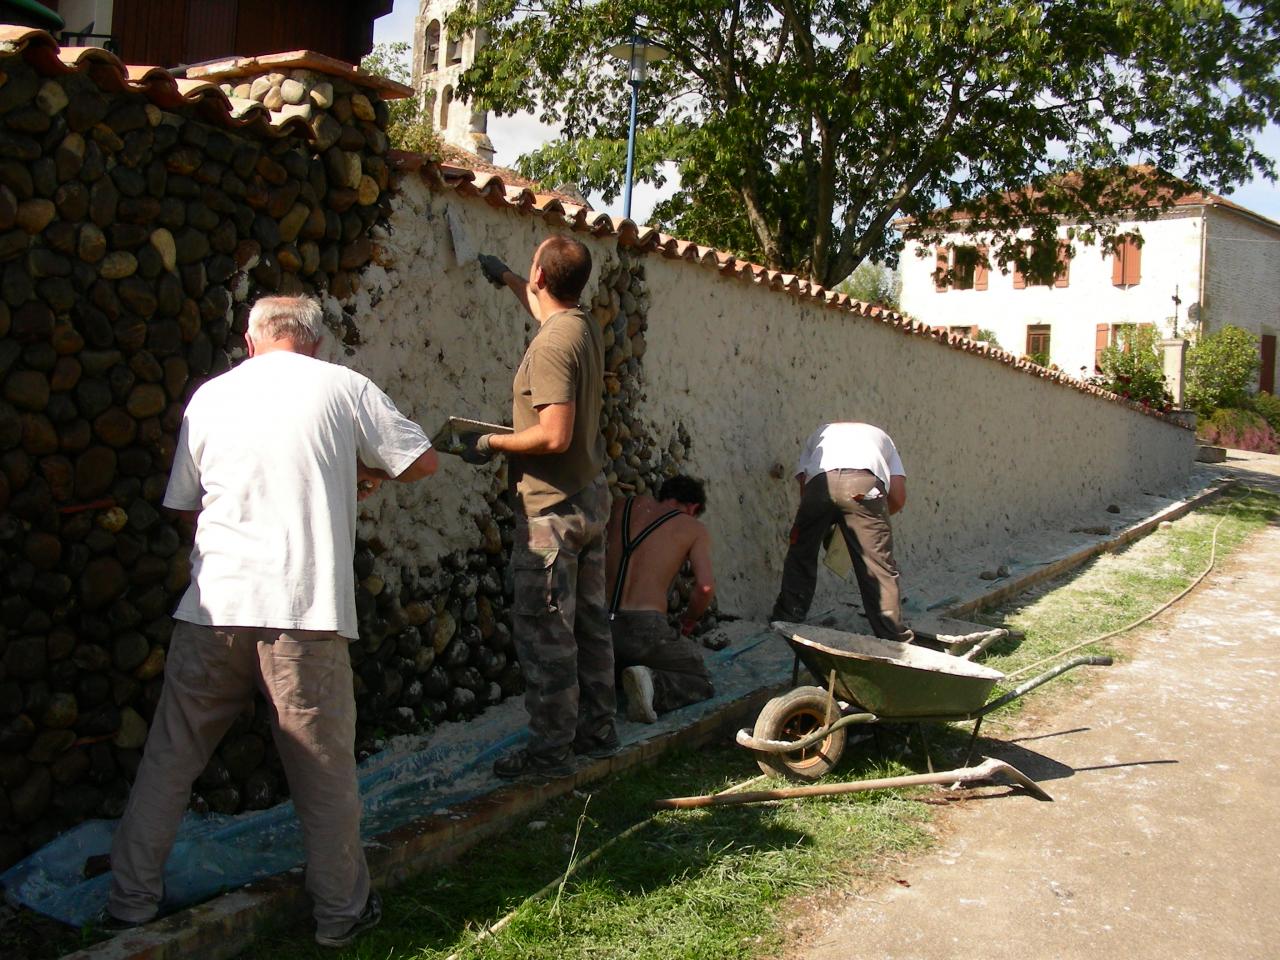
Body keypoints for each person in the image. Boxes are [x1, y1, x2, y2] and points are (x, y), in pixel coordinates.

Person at [104, 296, 438, 948]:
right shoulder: (344, 387)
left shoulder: (210, 397)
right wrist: (360, 469)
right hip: (303, 614)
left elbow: (186, 506)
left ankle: (128, 903)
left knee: (170, 760)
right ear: (313, 343)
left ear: (251, 341)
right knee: (324, 774)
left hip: (214, 609)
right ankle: (341, 917)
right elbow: (421, 460)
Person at [471, 238, 615, 780]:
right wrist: (506, 275)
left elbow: (553, 435)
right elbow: (541, 308)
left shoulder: (553, 347)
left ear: (541, 273)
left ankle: (550, 755)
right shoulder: (580, 325)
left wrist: (489, 444)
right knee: (590, 626)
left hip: (551, 512)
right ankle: (598, 733)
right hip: (587, 498)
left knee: (547, 634)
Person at [770, 421, 913, 642]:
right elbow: (897, 497)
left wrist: (822, 522)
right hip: (864, 487)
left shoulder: (819, 433)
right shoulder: (884, 439)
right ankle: (893, 637)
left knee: (801, 553)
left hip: (819, 486)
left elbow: (804, 484)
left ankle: (786, 618)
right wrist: (872, 524)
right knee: (877, 566)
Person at [605, 475, 716, 723]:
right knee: (701, 679)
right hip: (643, 629)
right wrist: (688, 622)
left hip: (599, 626)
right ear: (693, 508)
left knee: (612, 662)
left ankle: (607, 679)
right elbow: (705, 587)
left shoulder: (623, 505)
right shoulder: (691, 527)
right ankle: (652, 686)